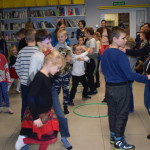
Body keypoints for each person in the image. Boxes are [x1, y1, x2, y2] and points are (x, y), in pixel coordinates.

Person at [101, 26, 150, 150]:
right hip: (121, 89)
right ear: (115, 39)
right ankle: (119, 140)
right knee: (122, 114)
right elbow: (129, 75)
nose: (125, 41)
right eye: (123, 38)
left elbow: (102, 70)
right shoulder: (120, 54)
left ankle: (113, 135)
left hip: (110, 88)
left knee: (112, 113)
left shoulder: (105, 52)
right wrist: (147, 78)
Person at [29, 29, 72, 150]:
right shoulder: (36, 57)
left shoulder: (49, 53)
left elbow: (59, 62)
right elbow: (32, 78)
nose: (50, 45)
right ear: (39, 43)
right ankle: (25, 140)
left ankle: (64, 136)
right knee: (33, 116)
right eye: (47, 43)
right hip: (40, 90)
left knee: (60, 114)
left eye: (50, 42)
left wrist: (52, 50)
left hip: (50, 87)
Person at [15, 51, 64, 150]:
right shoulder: (39, 78)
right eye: (58, 68)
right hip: (37, 112)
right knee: (47, 138)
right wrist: (35, 117)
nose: (58, 70)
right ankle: (23, 141)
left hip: (47, 111)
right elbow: (30, 98)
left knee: (49, 137)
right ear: (50, 63)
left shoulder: (49, 76)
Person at [15, 29, 37, 120]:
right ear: (36, 40)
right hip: (35, 82)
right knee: (35, 102)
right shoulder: (38, 52)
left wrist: (22, 76)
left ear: (25, 40)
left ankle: (23, 121)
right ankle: (34, 121)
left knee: (25, 102)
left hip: (24, 82)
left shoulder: (21, 52)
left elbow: (17, 66)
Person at [54, 29, 72, 114]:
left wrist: (70, 60)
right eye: (58, 37)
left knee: (66, 90)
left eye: (62, 36)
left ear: (66, 37)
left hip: (67, 73)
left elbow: (72, 61)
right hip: (57, 74)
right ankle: (56, 107)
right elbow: (53, 61)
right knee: (56, 91)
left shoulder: (69, 48)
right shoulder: (55, 49)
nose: (60, 38)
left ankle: (65, 106)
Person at [124, 36, 137, 113]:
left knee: (128, 93)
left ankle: (130, 108)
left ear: (127, 45)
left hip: (129, 76)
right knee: (128, 92)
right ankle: (129, 108)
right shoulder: (133, 53)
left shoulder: (129, 54)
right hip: (130, 76)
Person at [84, 27, 97, 95]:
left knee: (90, 75)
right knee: (88, 74)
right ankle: (91, 88)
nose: (84, 34)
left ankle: (93, 90)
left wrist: (83, 48)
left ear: (88, 33)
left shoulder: (92, 40)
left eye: (85, 32)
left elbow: (91, 51)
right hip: (89, 60)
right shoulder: (88, 40)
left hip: (92, 60)